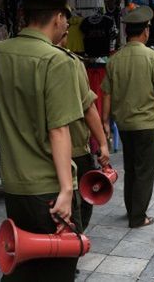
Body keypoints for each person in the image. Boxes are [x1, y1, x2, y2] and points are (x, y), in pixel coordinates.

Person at [0, 0, 83, 281]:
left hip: (15, 185)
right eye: (66, 18)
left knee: (24, 265)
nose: (66, 24)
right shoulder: (56, 61)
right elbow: (59, 131)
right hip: (47, 188)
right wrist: (67, 191)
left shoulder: (0, 52)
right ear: (58, 18)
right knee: (58, 267)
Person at [101, 6, 154, 228]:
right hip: (146, 126)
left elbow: (106, 94)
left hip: (124, 126)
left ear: (126, 33)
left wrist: (105, 122)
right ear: (145, 31)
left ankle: (131, 209)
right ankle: (138, 217)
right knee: (145, 171)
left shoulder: (114, 60)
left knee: (131, 169)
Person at [58, 32, 110, 230]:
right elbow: (88, 108)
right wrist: (103, 143)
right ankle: (74, 241)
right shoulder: (69, 62)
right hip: (74, 149)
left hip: (33, 154)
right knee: (80, 201)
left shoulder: (6, 54)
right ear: (57, 20)